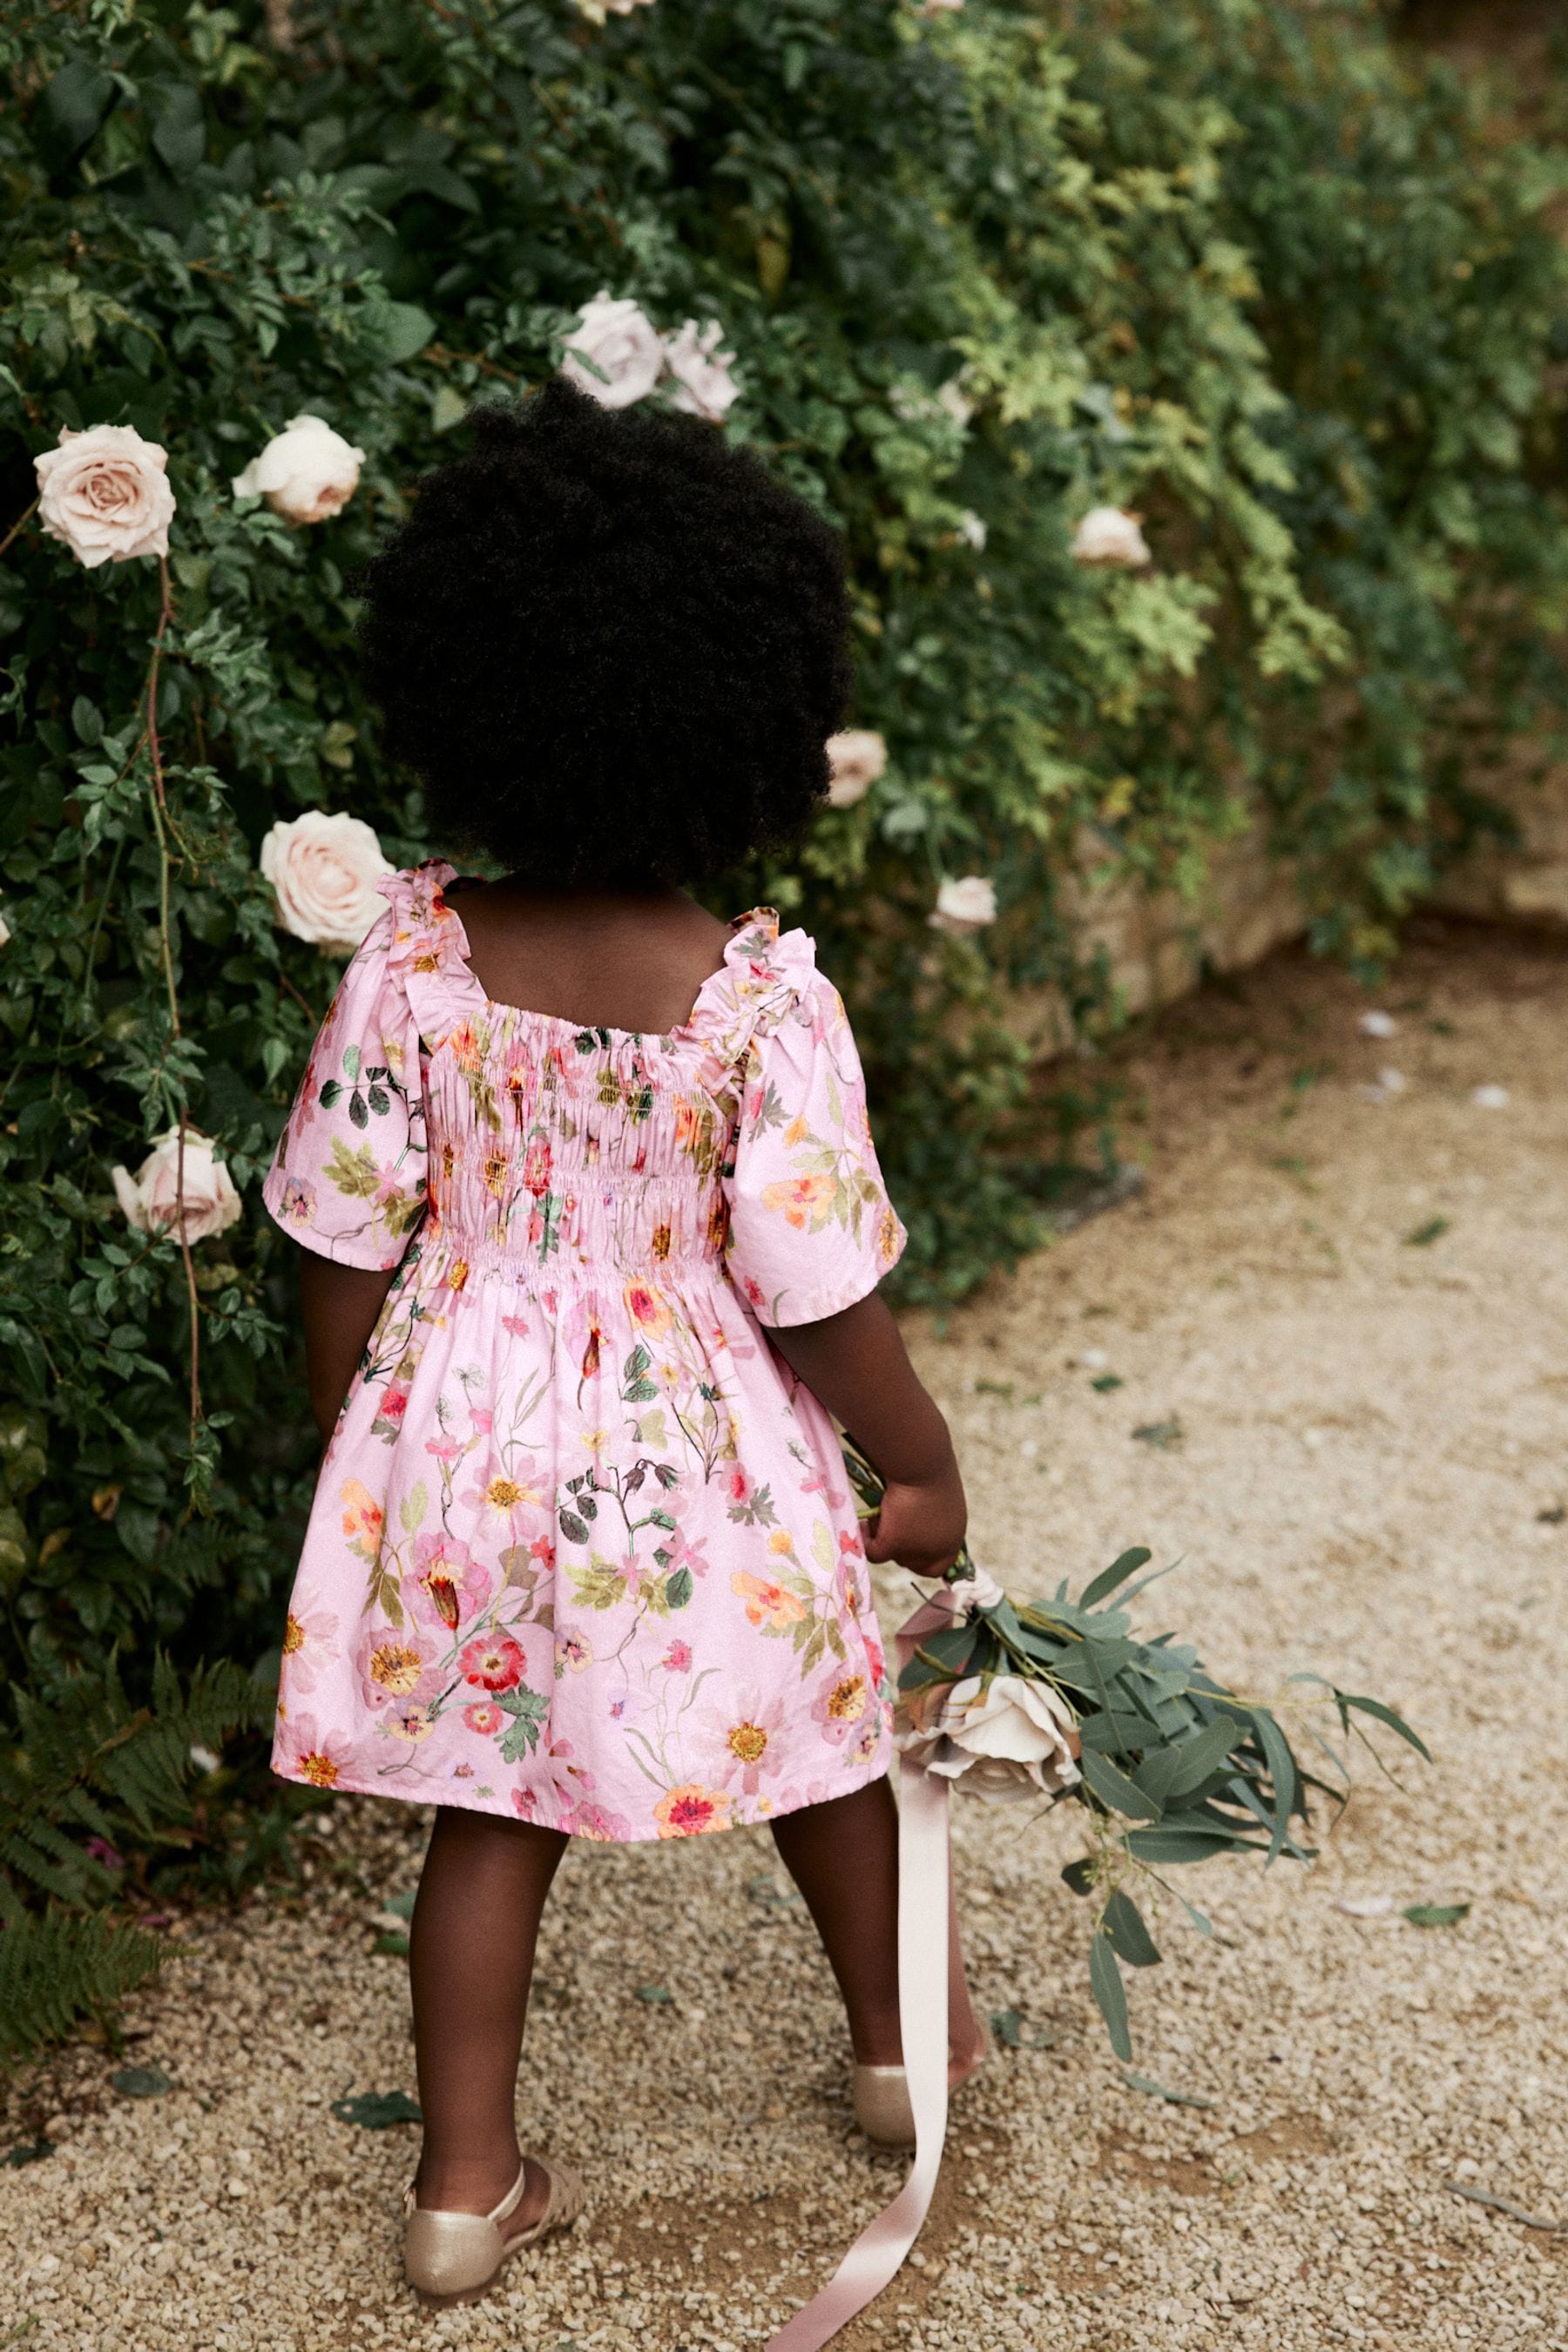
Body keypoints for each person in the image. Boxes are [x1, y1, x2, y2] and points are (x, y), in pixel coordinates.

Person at [262, 381, 982, 2308]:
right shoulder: (754, 1006)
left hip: (466, 1442)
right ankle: (904, 2058)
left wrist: (354, 1419)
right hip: (705, 1452)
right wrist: (917, 1462)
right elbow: (818, 1286)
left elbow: (341, 1230)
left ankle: (463, 2188)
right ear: (742, 712)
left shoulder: (410, 960)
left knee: (488, 1806)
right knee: (828, 1739)